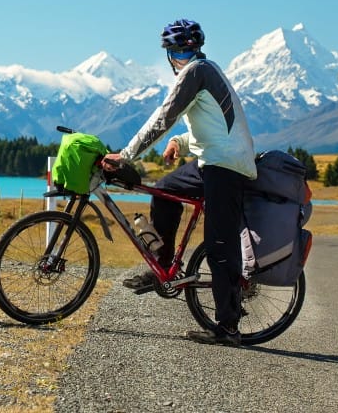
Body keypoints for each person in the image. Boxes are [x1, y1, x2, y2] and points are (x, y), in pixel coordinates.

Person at [102, 19, 256, 346]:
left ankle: (228, 327)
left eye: (184, 49)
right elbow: (214, 126)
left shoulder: (196, 73)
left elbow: (164, 116)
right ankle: (162, 267)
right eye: (177, 49)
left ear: (188, 51)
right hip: (215, 159)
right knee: (166, 191)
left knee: (219, 246)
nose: (180, 55)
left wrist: (126, 155)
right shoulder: (205, 71)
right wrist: (181, 143)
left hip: (226, 167)